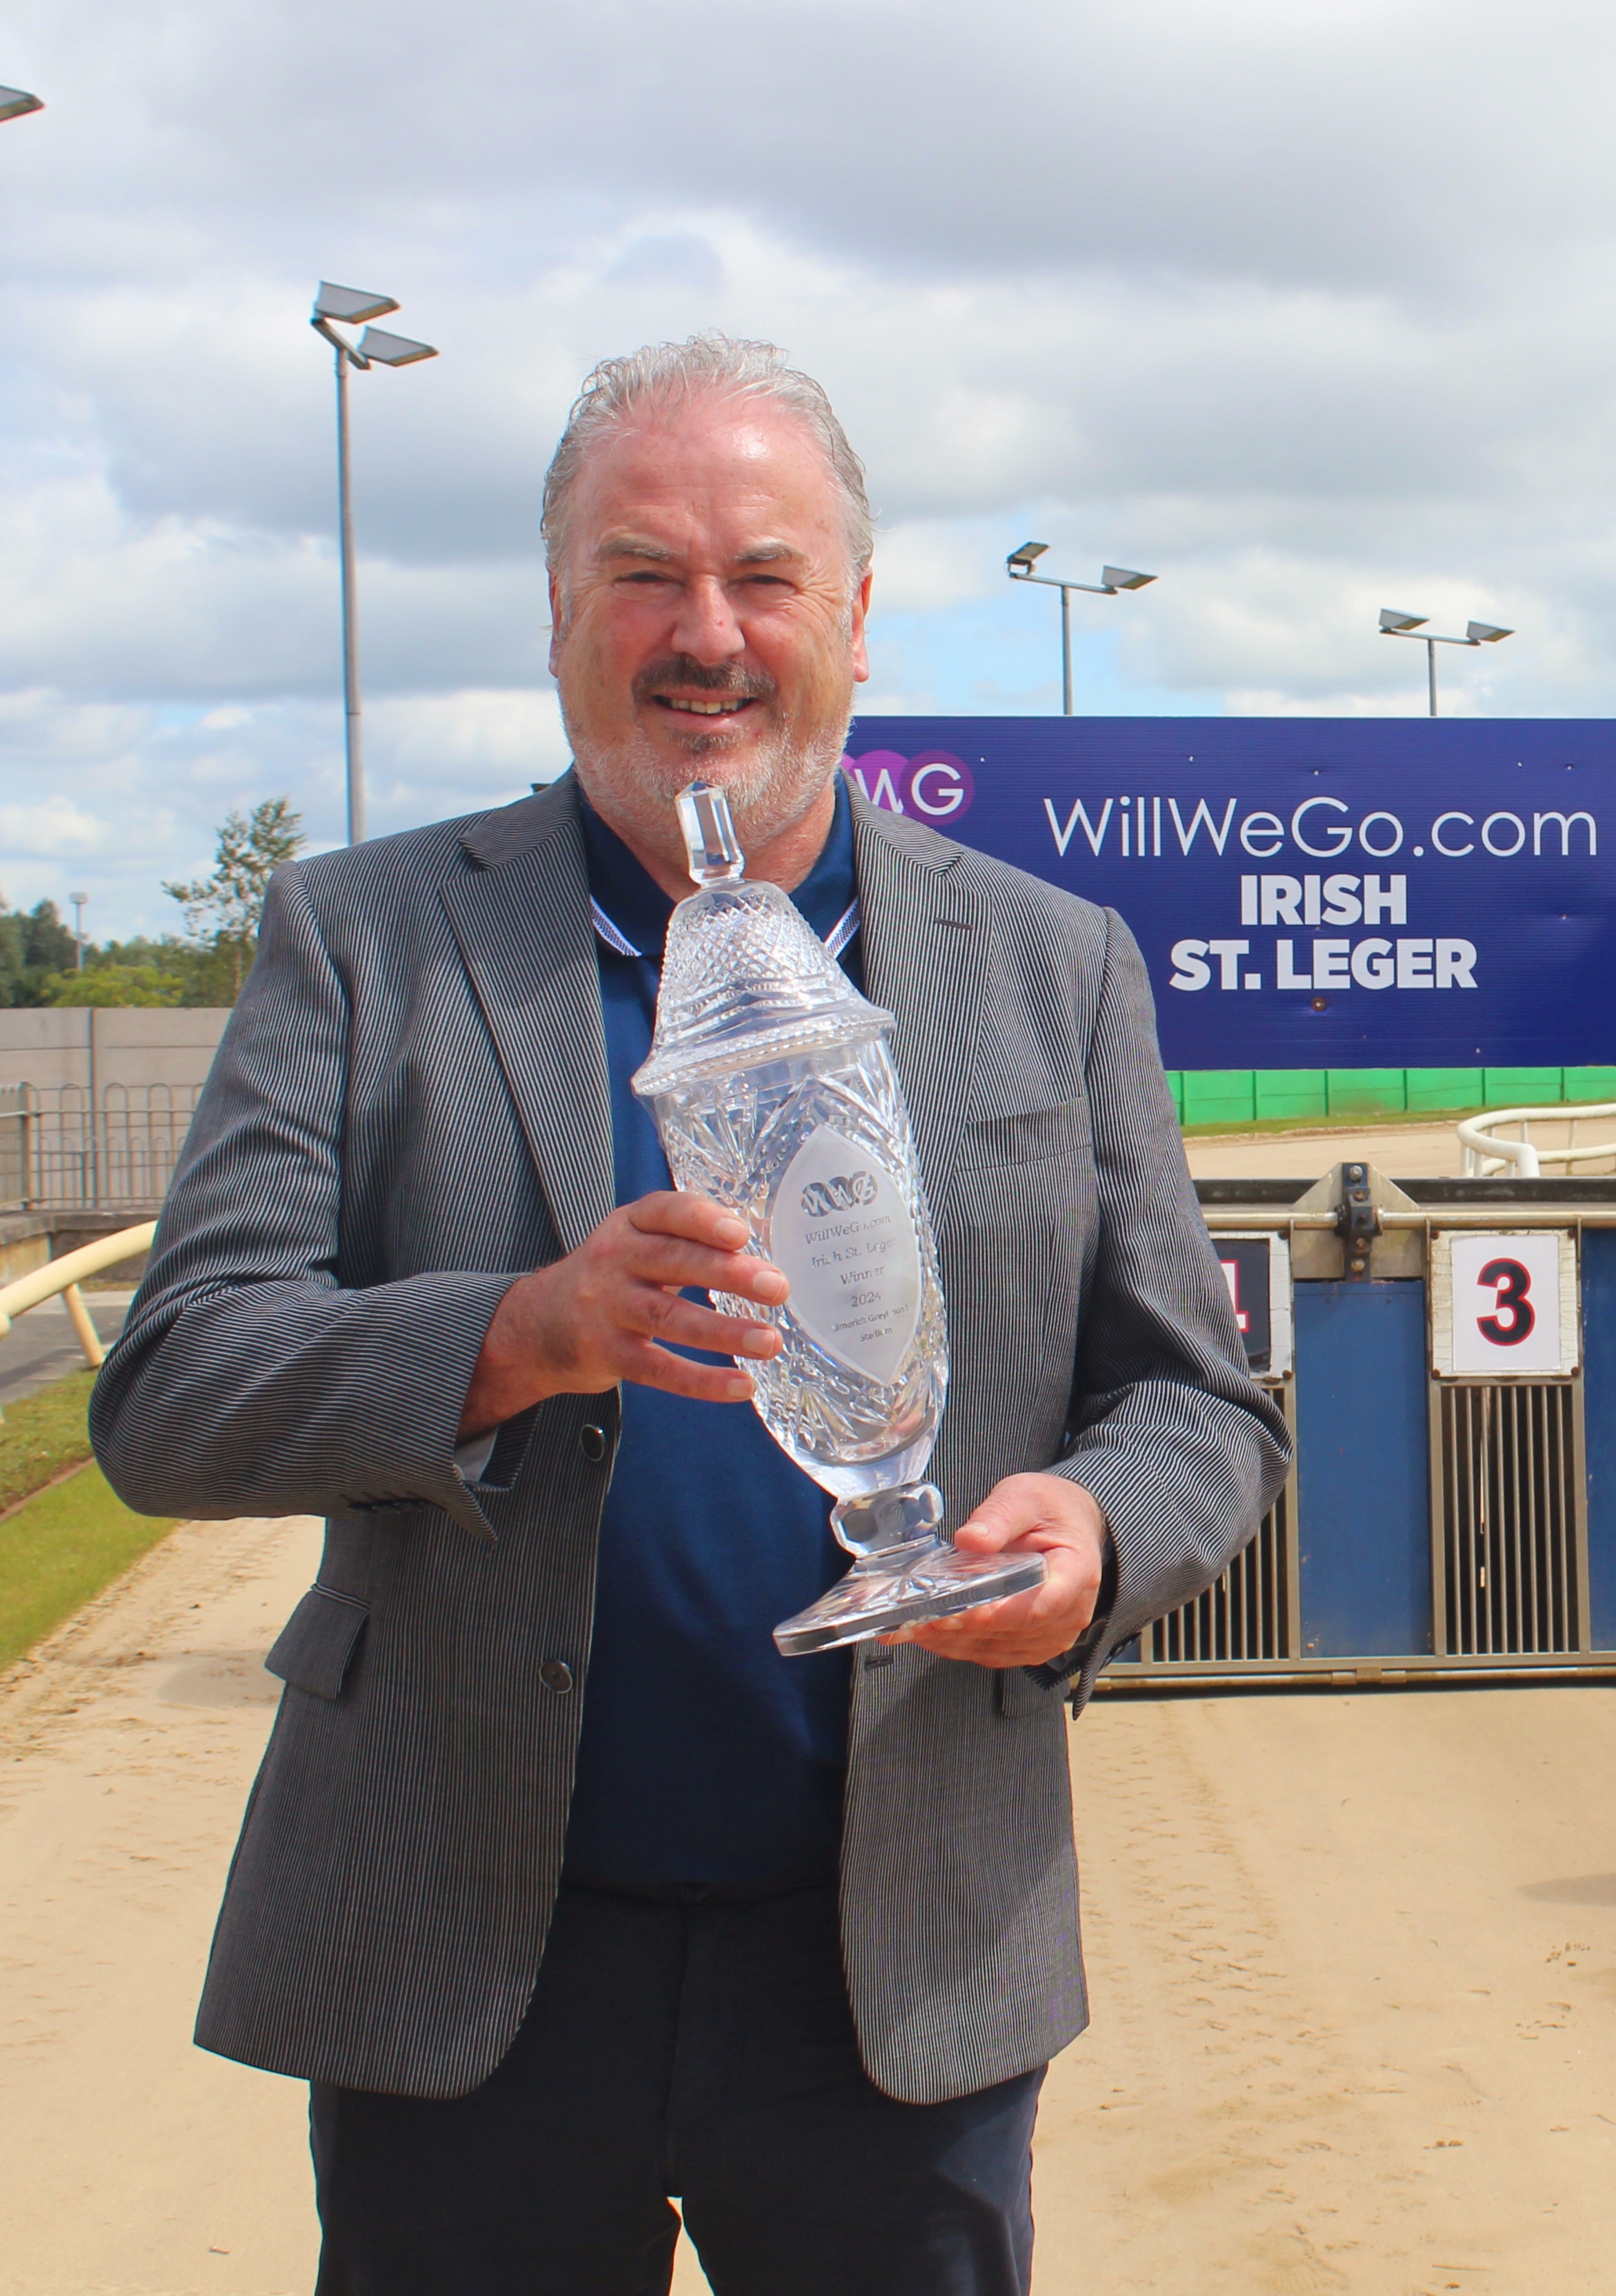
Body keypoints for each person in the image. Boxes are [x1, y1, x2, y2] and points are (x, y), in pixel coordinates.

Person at [90, 335, 1290, 2293]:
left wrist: (1096, 1528)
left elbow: (1197, 1410)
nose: (703, 634)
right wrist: (516, 1335)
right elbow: (169, 1396)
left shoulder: (1052, 965)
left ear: (858, 620)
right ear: (561, 613)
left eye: (763, 578)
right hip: (467, 1958)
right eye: (643, 573)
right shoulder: (366, 940)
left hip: (898, 1968)